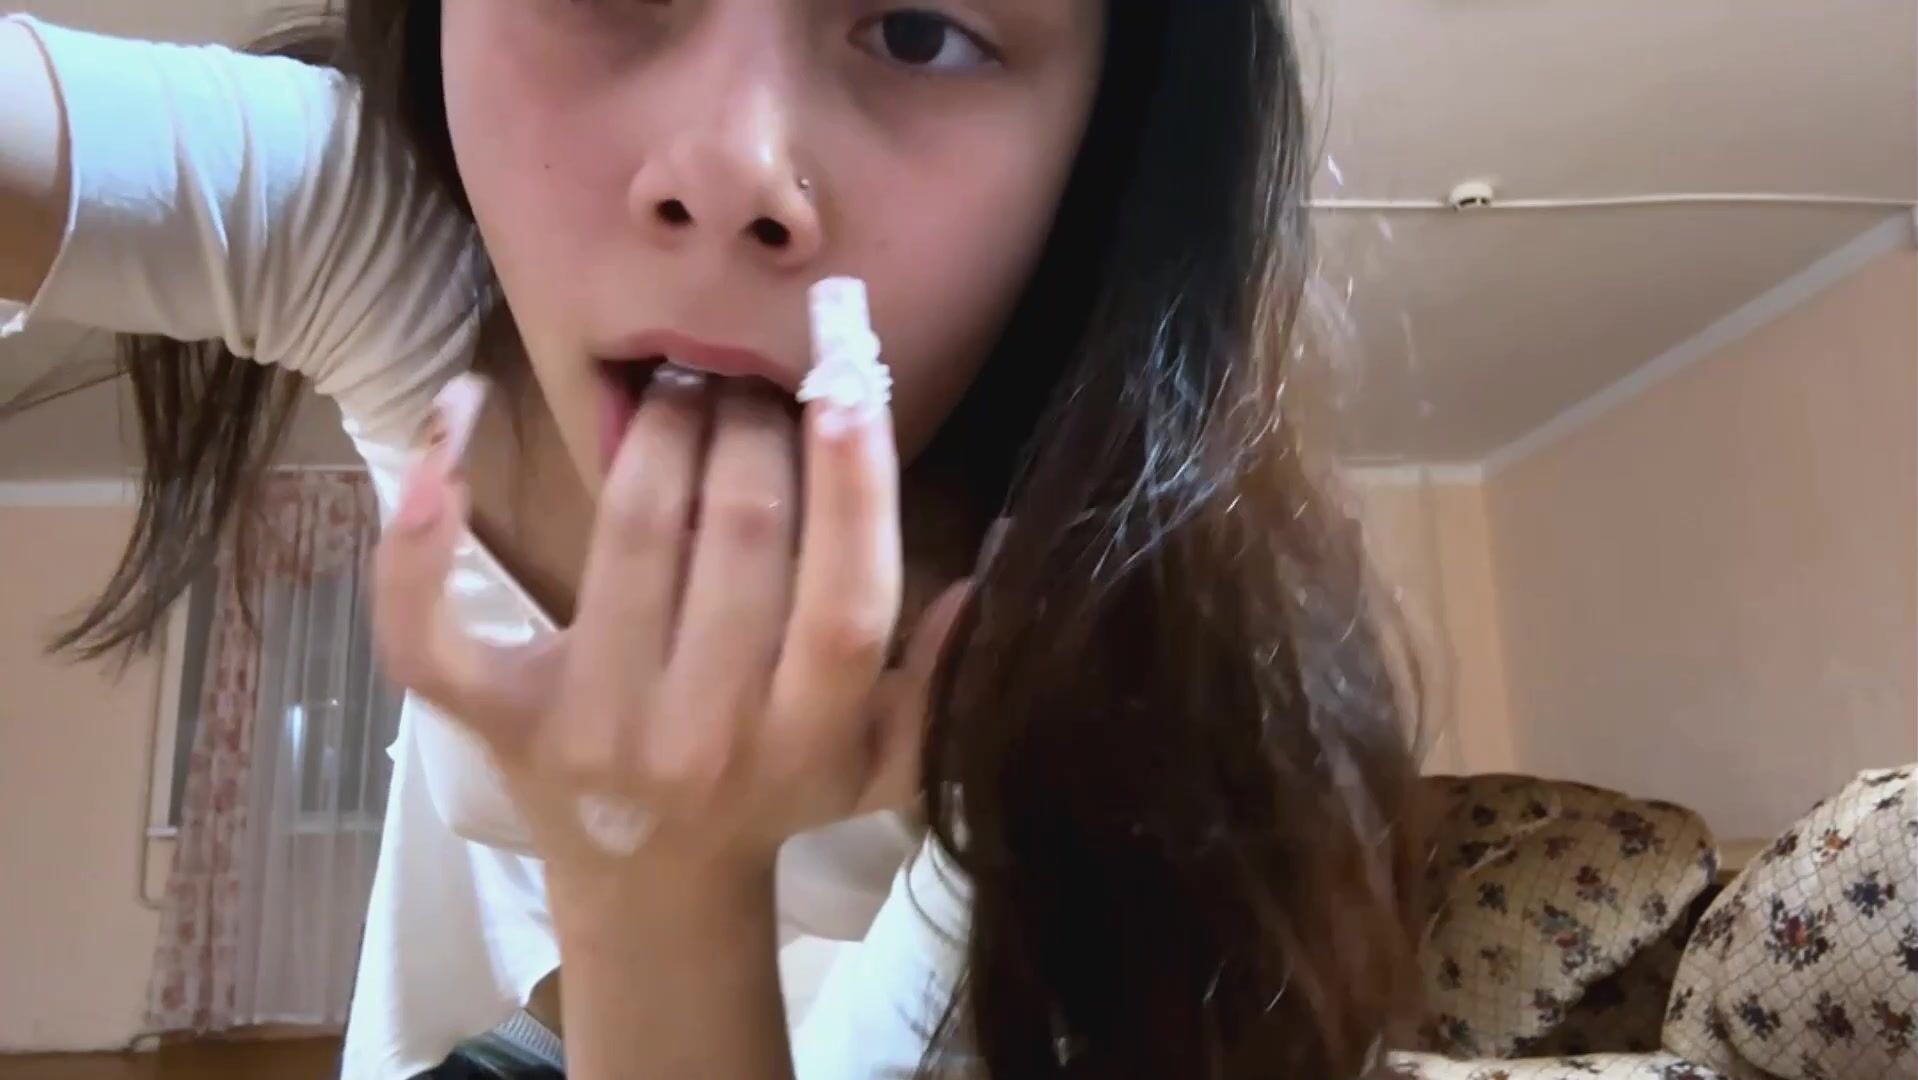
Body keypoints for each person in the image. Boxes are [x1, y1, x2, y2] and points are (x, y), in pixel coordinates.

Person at [0, 2, 1426, 1077]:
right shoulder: (409, 266)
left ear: (1108, 134)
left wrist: (662, 885)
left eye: (917, 30)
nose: (734, 170)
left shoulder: (1083, 649)